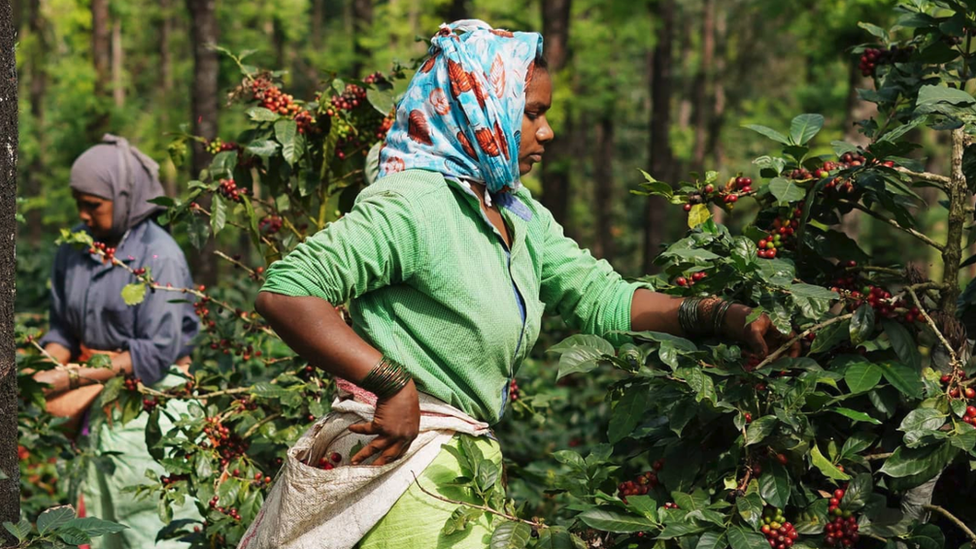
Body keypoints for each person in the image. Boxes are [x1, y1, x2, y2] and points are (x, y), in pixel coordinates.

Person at [253, 20, 796, 549]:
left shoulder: (517, 213)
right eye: (531, 113)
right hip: (399, 470)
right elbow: (287, 291)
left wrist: (723, 316)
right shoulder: (416, 204)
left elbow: (601, 296)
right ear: (479, 108)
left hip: (458, 467)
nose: (547, 131)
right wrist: (392, 384)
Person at [35, 134, 201, 549]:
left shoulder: (158, 256)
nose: (83, 215)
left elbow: (157, 350)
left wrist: (72, 377)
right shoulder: (74, 249)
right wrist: (46, 367)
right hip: (94, 404)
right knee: (99, 525)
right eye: (79, 203)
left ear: (125, 197)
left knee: (150, 526)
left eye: (94, 205)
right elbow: (61, 330)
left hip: (147, 407)